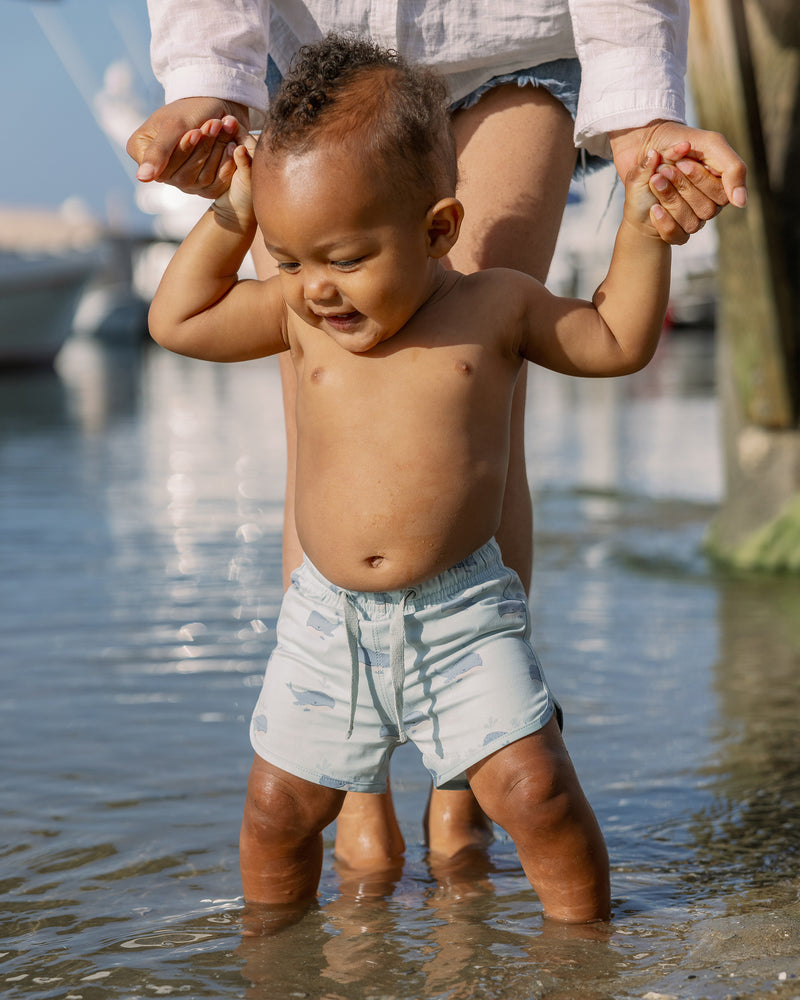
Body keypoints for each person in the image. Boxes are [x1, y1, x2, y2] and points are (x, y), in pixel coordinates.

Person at [128, 0, 748, 870]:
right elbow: (180, 318)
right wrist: (231, 200)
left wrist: (643, 223)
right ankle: (347, 813)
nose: (315, 289)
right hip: (309, 71)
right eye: (295, 262)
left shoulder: (496, 302)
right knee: (275, 812)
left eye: (340, 263)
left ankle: (476, 798)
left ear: (440, 230)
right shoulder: (297, 308)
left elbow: (613, 340)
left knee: (487, 395)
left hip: (511, 44)